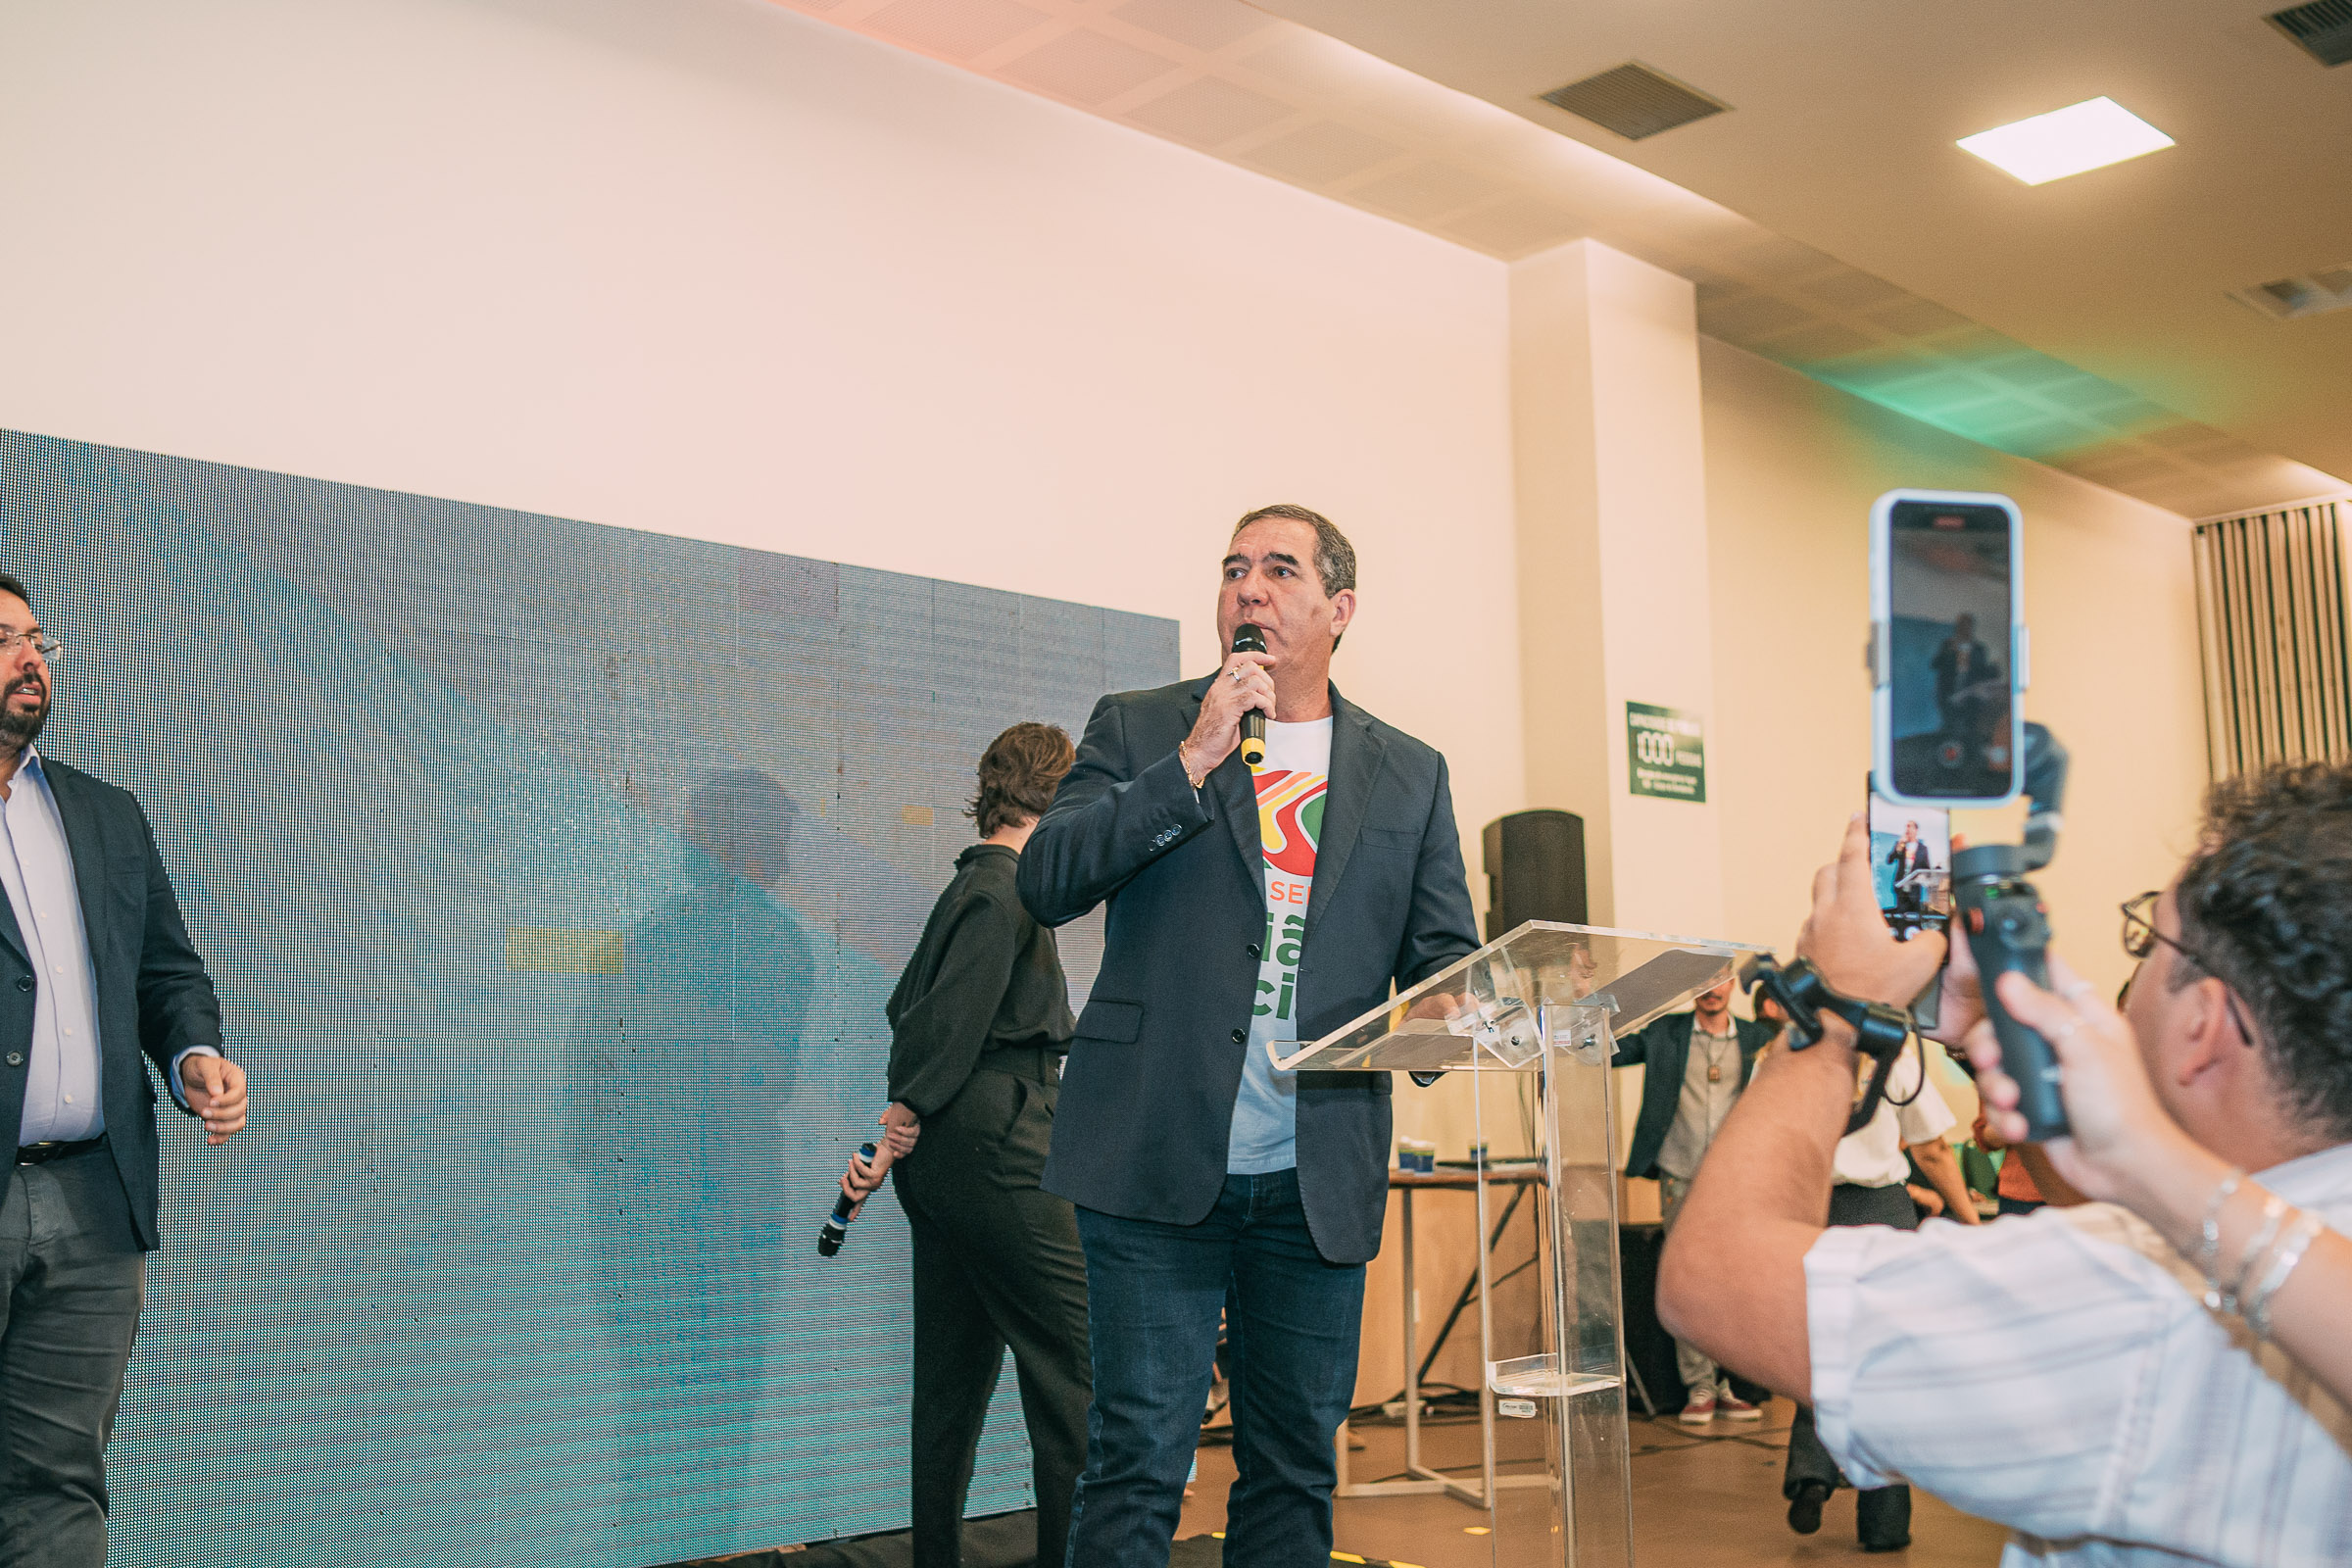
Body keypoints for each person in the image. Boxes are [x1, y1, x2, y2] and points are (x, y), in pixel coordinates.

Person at [1660, 775, 2352, 1567]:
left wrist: (1834, 1008)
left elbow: (1712, 1277)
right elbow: (2125, 1208)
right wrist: (1991, 1027)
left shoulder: (2133, 1296)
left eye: (2146, 945)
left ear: (2204, 1025)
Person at [1016, 504, 1478, 1567]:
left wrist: (1450, 1009)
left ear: (1339, 608)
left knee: (1294, 1467)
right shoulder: (1143, 726)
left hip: (1315, 1176)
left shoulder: (1410, 772)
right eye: (1234, 569)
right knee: (1138, 1459)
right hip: (1153, 1158)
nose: (1249, 587)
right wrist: (1193, 759)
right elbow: (1045, 880)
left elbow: (1444, 954)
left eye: (1279, 569)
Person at [0, 570, 248, 1567]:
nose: (31, 659)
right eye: (3, 640)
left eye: (38, 640)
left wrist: (193, 1052)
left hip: (94, 1201)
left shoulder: (104, 813)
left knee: (57, 1485)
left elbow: (163, 970)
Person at [848, 722, 1091, 1568]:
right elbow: (941, 1026)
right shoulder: (1006, 892)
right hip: (1001, 1142)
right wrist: (907, 1107)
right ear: (1061, 800)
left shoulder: (971, 886)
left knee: (950, 1381)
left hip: (952, 1153)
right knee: (1081, 1373)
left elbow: (910, 1013)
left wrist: (905, 1120)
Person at [1780, 1036, 1980, 1551]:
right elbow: (1932, 1149)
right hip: (1883, 1214)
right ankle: (1884, 1522)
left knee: (1822, 1353)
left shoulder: (1787, 1058)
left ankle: (1812, 1474)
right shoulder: (1894, 1060)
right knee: (1888, 1367)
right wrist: (1970, 1217)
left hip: (1815, 1213)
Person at [1611, 978, 1772, 1424]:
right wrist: (1588, 993)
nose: (1711, 989)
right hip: (1680, 1173)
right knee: (1688, 1278)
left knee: (1735, 1282)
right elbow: (1609, 1051)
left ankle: (1732, 1383)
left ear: (1733, 982)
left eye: (1719, 978)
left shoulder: (1758, 1039)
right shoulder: (1666, 1032)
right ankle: (1699, 1386)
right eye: (1701, 979)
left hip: (1738, 1178)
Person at [1886, 820, 1933, 928]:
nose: (1908, 829)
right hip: (1901, 889)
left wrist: (1922, 877)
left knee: (1915, 921)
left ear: (1916, 830)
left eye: (1910, 827)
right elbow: (1889, 860)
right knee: (1900, 920)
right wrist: (1899, 845)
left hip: (1914, 891)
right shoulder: (1901, 845)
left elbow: (1927, 869)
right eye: (1906, 827)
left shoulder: (1923, 849)